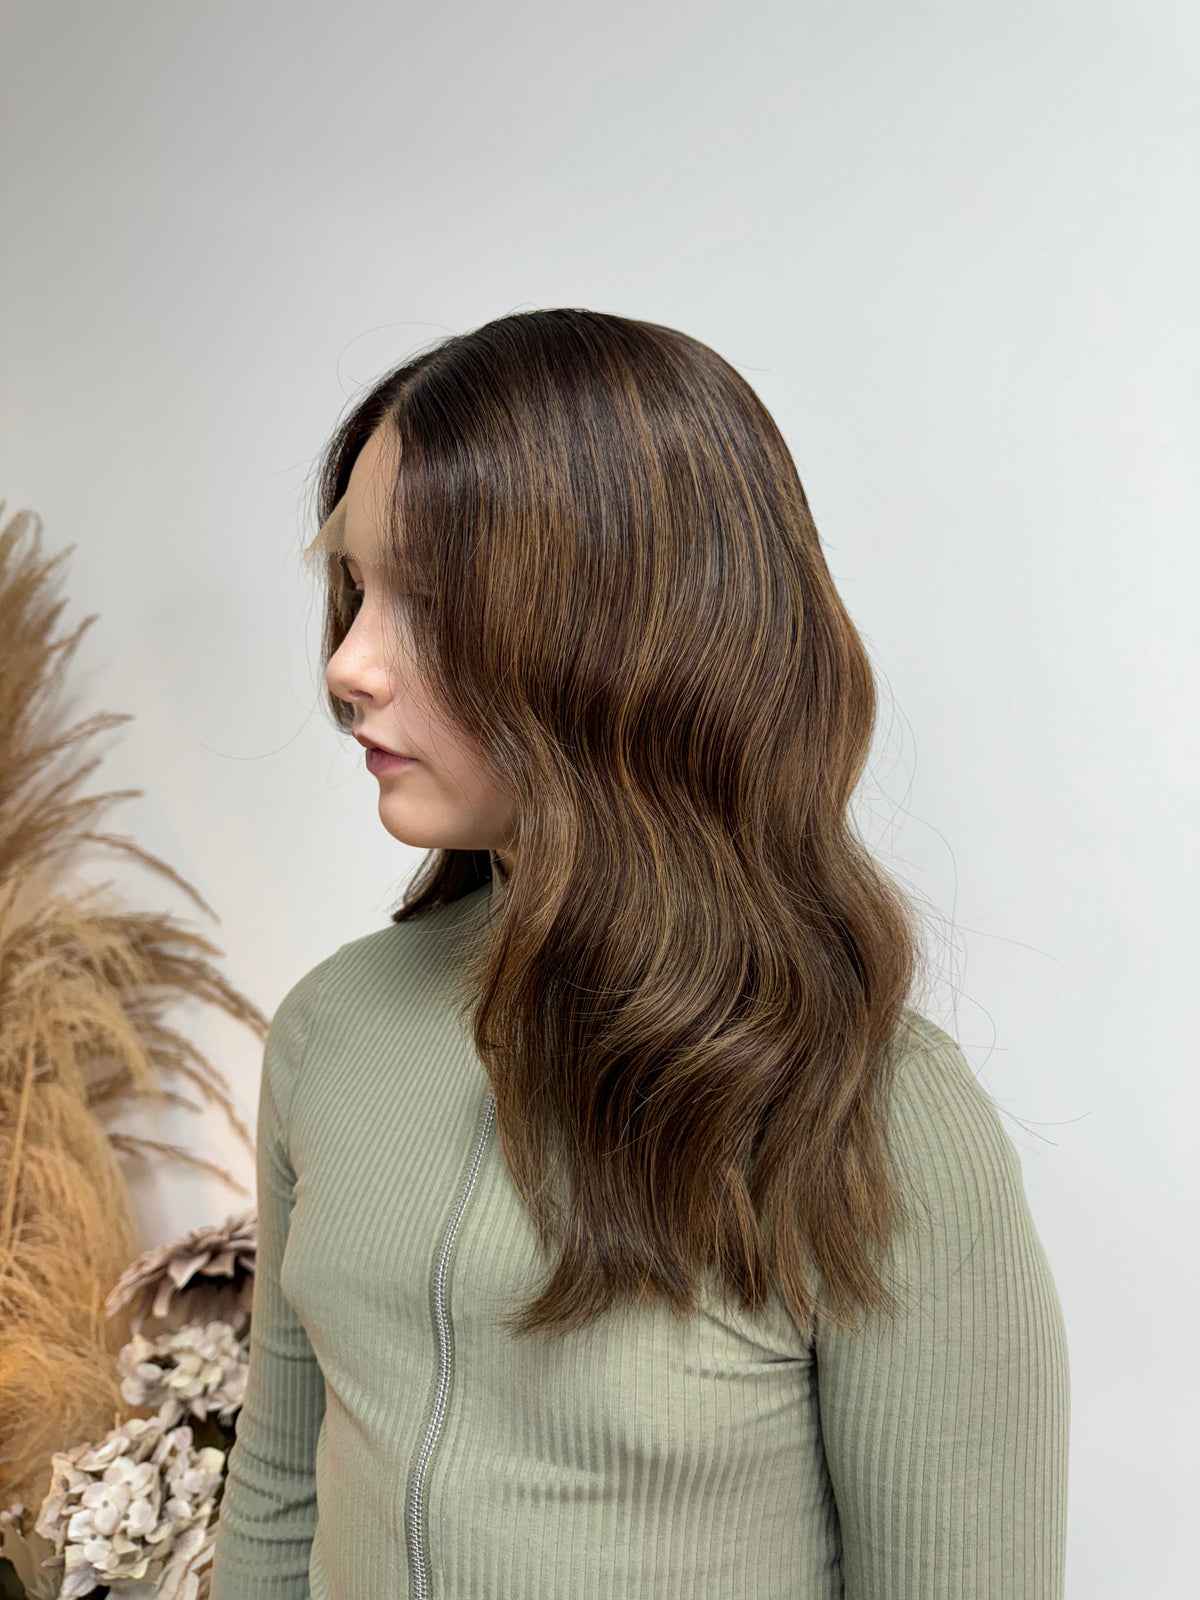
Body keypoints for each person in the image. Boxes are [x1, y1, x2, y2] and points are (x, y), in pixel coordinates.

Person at [209, 308, 1069, 1600]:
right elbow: (277, 1495)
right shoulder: (332, 1029)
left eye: (428, 604)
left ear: (626, 639)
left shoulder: (875, 1122)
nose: (348, 665)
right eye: (354, 589)